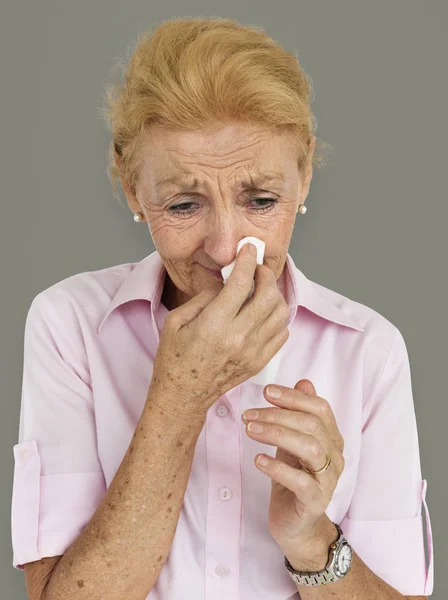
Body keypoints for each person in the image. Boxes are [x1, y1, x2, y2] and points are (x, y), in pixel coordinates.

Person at [11, 16, 433, 600]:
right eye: (184, 204)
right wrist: (179, 397)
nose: (226, 248)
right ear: (134, 189)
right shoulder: (69, 326)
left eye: (261, 199)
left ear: (304, 175)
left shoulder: (369, 349)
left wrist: (312, 540)